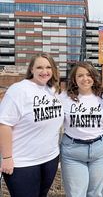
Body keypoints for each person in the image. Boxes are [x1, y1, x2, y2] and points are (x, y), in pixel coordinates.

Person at [0, 53, 63, 197]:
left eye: (48, 67)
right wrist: (7, 158)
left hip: (50, 158)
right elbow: (4, 125)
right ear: (31, 70)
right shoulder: (18, 90)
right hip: (23, 162)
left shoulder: (52, 90)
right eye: (39, 67)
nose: (44, 71)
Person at [60, 62, 103, 197]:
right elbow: (53, 123)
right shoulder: (63, 98)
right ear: (74, 79)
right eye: (80, 75)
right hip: (73, 150)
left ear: (94, 77)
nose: (85, 78)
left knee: (96, 193)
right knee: (76, 194)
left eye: (88, 75)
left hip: (99, 148)